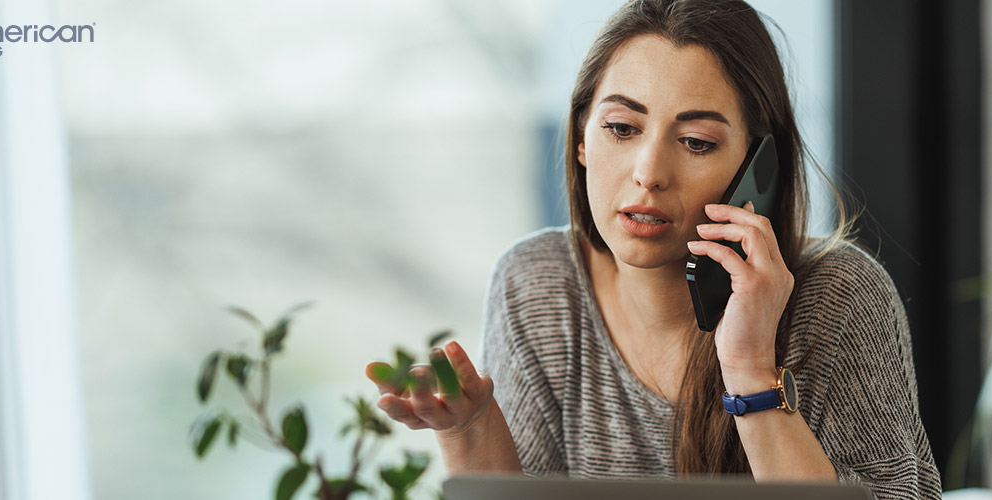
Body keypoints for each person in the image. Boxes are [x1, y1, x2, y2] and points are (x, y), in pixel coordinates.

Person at [366, 1, 941, 498]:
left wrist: (749, 370)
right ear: (581, 140)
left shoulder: (840, 296)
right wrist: (469, 429)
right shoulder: (537, 285)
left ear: (756, 169)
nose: (648, 173)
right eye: (621, 128)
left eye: (695, 142)